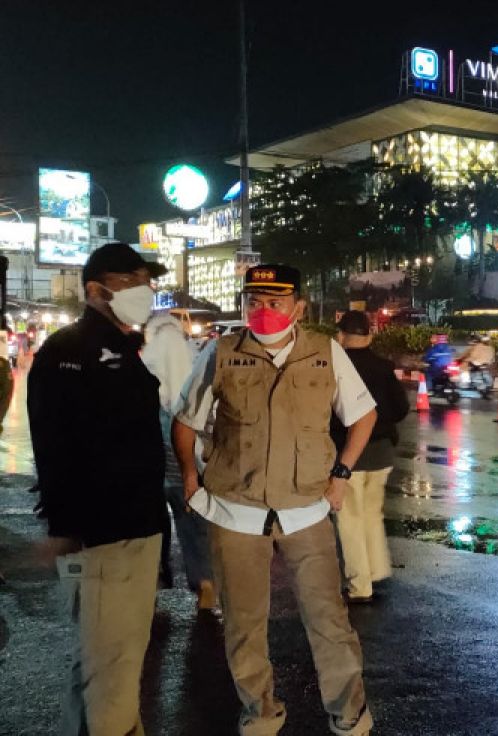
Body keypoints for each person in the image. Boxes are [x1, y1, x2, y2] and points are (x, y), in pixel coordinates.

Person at [172, 264, 377, 736]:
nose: (263, 311)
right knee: (244, 624)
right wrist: (189, 476)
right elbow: (185, 419)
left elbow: (363, 415)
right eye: (254, 302)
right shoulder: (220, 353)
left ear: (298, 307)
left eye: (275, 302)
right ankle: (260, 711)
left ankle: (349, 713)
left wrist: (342, 474)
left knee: (329, 619)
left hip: (307, 509)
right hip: (235, 510)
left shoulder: (326, 353)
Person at [28, 243, 167, 735]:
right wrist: (66, 526)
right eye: (132, 281)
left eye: (147, 281)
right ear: (96, 289)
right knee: (112, 668)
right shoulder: (69, 350)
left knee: (102, 663)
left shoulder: (126, 347)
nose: (145, 290)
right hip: (105, 534)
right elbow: (53, 444)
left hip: (137, 526)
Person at [331, 311, 409, 603]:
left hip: (350, 454)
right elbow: (401, 408)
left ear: (341, 336)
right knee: (371, 515)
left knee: (349, 518)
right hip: (382, 453)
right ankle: (376, 571)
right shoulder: (383, 367)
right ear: (370, 336)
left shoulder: (339, 367)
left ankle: (359, 585)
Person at [142, 312, 215, 610]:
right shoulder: (195, 364)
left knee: (152, 526)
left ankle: (155, 578)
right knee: (193, 525)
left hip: (151, 469)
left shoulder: (144, 369)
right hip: (188, 465)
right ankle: (205, 582)